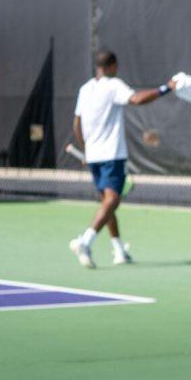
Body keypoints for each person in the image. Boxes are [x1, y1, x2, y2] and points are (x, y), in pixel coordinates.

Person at [68, 50, 175, 268]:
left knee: (107, 205)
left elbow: (76, 123)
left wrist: (85, 149)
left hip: (95, 156)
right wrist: (166, 88)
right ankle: (86, 241)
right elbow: (136, 99)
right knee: (112, 201)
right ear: (112, 66)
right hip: (111, 155)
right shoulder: (113, 85)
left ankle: (118, 251)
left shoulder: (85, 89)